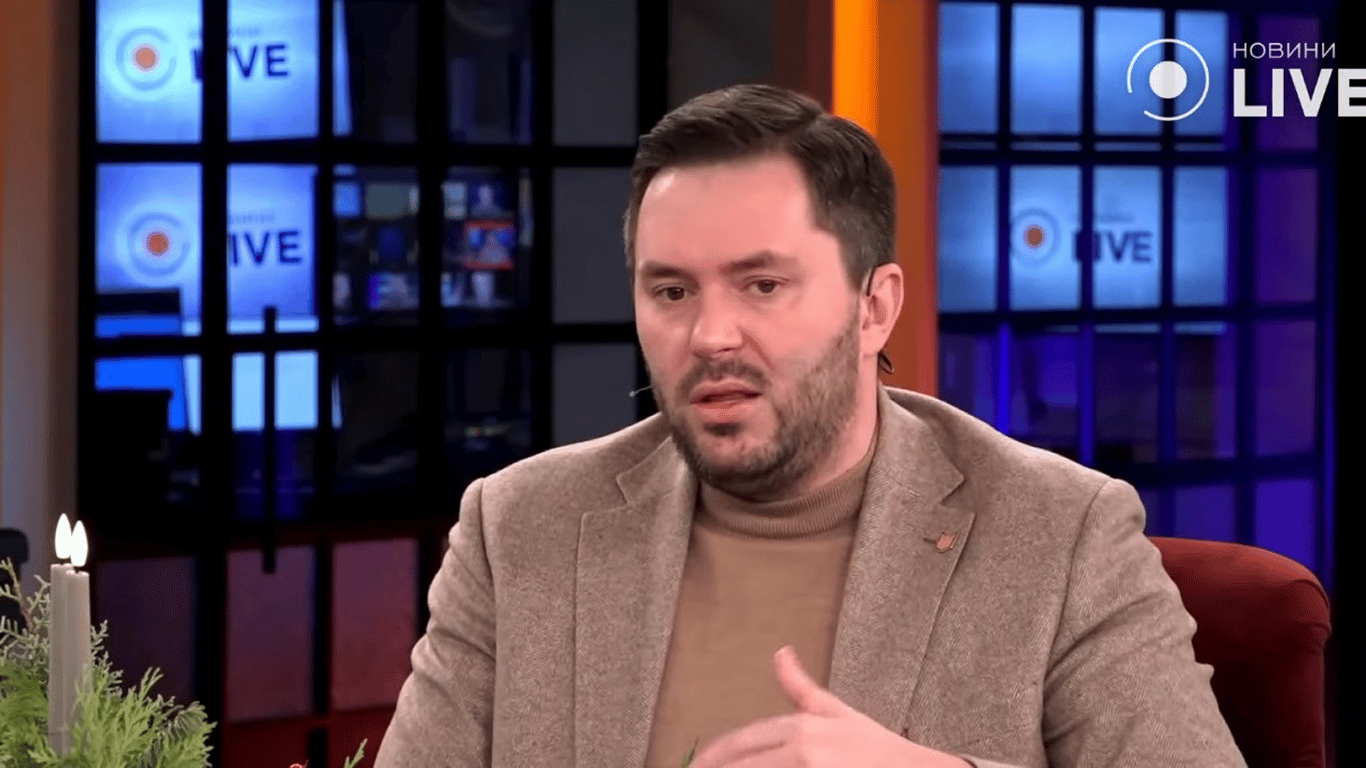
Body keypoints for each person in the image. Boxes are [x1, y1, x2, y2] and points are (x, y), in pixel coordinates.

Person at [374, 84, 1246, 768]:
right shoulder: (518, 527)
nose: (710, 335)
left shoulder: (1061, 532)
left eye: (763, 285)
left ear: (875, 307)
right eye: (672, 291)